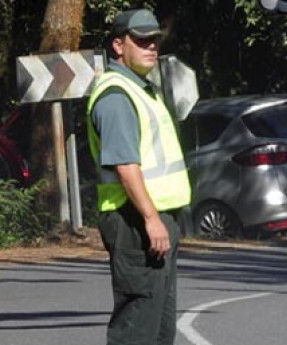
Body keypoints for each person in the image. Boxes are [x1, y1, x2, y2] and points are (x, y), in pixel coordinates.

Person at [86, 9, 191, 345]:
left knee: (158, 325)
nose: (151, 46)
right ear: (119, 45)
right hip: (135, 220)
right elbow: (125, 165)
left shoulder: (142, 89)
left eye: (154, 40)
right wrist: (151, 218)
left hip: (150, 218)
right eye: (142, 40)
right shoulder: (117, 95)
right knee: (138, 325)